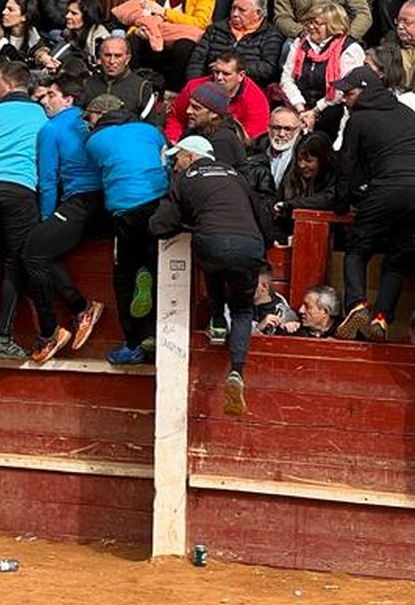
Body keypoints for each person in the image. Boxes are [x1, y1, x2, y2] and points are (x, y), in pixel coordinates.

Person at [150, 135, 272, 415]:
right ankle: (237, 371)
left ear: (191, 157)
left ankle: (217, 319)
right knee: (243, 310)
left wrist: (185, 223)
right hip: (247, 243)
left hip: (212, 242)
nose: (175, 163)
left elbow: (160, 225)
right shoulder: (236, 176)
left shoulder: (185, 179)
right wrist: (267, 244)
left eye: (177, 157)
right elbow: (261, 213)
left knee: (213, 265)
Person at [24, 71, 106, 362]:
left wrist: (47, 218)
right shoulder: (93, 119)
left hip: (81, 201)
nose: (45, 101)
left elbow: (47, 180)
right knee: (42, 251)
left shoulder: (51, 129)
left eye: (51, 95)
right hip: (107, 203)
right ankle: (79, 309)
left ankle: (64, 320)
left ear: (68, 99)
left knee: (32, 251)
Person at [84, 94, 170, 365]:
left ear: (100, 116)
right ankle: (157, 335)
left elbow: (100, 173)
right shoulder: (151, 131)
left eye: (89, 117)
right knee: (158, 271)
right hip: (160, 203)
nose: (87, 123)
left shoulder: (94, 141)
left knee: (124, 276)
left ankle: (133, 342)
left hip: (126, 208)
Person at [0, 57, 46, 359]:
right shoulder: (39, 113)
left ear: (9, 83)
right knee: (14, 262)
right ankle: (3, 336)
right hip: (20, 187)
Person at [332, 67, 415, 342]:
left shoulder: (359, 119)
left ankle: (357, 305)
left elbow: (347, 166)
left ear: (365, 92)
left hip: (387, 187)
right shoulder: (407, 113)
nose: (344, 98)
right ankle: (381, 317)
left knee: (357, 250)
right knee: (397, 261)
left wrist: (342, 204)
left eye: (349, 92)